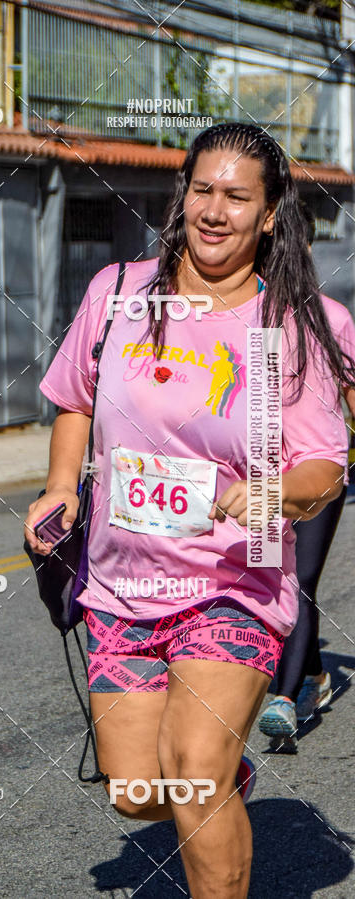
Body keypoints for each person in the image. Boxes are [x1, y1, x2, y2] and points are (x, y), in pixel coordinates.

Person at [24, 122, 353, 898]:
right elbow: (74, 399)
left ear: (269, 214)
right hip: (122, 584)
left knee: (195, 776)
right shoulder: (119, 294)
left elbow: (324, 466)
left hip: (234, 581)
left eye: (237, 197)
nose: (214, 210)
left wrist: (272, 492)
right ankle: (219, 767)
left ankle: (211, 768)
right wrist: (62, 486)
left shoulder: (288, 324)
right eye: (203, 190)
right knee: (140, 789)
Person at [258, 202, 355, 751]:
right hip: (262, 475)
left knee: (298, 581)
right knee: (276, 578)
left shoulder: (332, 318)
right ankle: (314, 673)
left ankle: (281, 696)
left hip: (319, 475)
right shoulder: (252, 317)